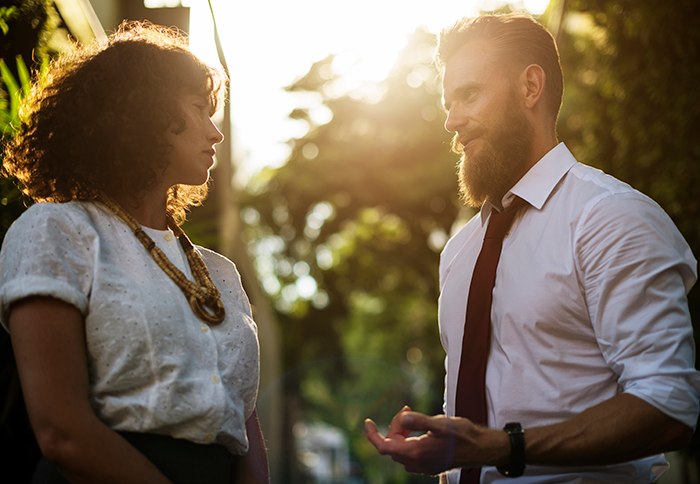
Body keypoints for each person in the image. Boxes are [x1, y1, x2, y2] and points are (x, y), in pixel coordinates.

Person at [365, 12, 699, 484]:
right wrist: (445, 459)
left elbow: (668, 404)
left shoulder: (610, 217)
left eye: (469, 94)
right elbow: (471, 425)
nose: (451, 120)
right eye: (448, 101)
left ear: (530, 87)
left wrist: (505, 447)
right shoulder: (459, 253)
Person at [0, 22, 269, 484]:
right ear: (143, 111)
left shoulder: (221, 272)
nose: (215, 133)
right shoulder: (57, 230)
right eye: (199, 109)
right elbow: (61, 431)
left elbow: (243, 426)